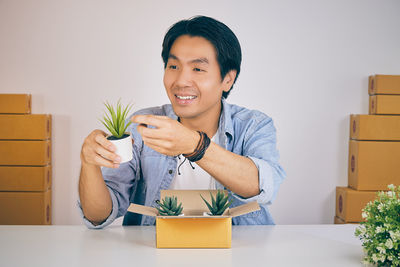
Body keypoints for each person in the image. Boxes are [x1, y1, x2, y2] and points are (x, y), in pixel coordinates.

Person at [78, 15, 286, 228]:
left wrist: (194, 145)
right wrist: (89, 164)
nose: (180, 81)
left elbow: (263, 186)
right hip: (154, 254)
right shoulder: (143, 127)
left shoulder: (253, 125)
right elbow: (97, 215)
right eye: (173, 66)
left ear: (227, 79)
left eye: (197, 69)